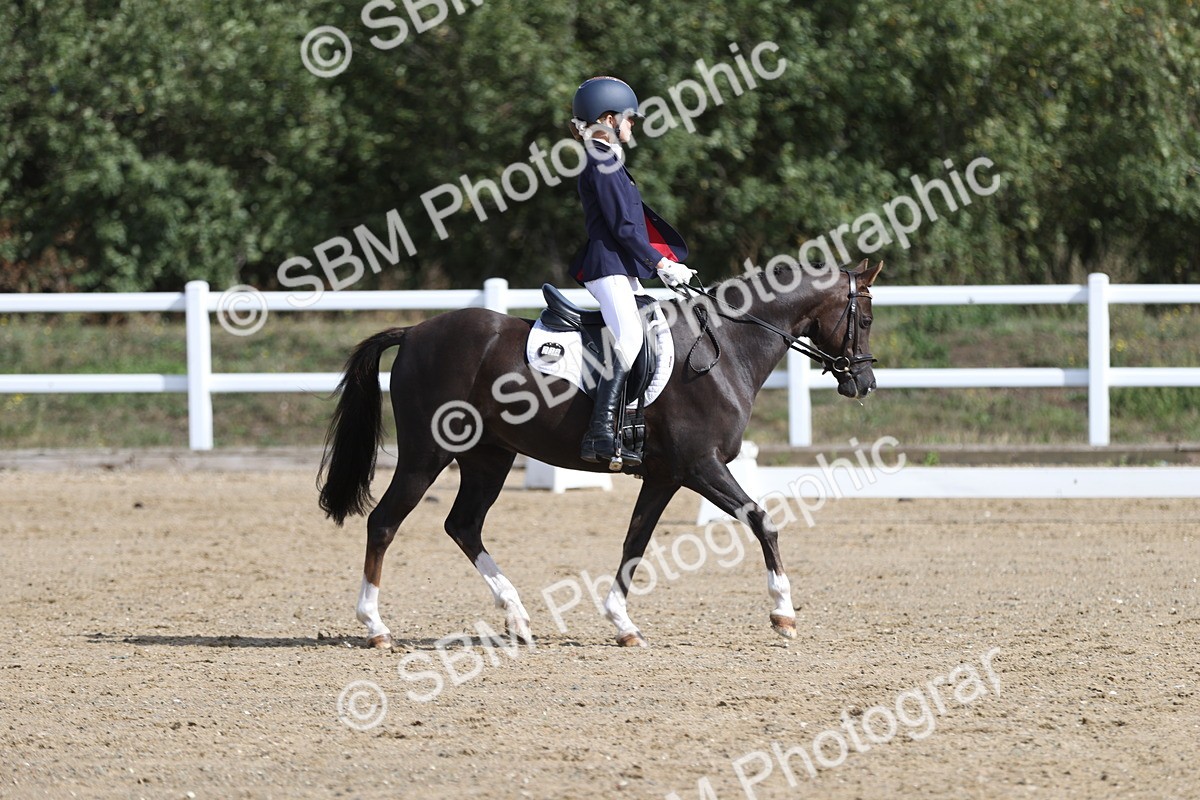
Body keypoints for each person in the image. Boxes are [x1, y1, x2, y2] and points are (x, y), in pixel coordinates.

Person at [567, 76, 696, 467]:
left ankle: (634, 422)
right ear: (609, 119)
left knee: (654, 333)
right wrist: (663, 265)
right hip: (608, 267)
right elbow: (624, 228)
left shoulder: (608, 159)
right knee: (628, 336)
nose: (633, 124)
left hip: (622, 268)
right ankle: (600, 432)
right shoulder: (601, 160)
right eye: (629, 118)